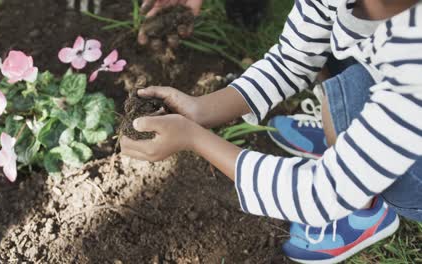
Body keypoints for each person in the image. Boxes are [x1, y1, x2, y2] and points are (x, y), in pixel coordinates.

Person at [124, 0, 422, 263]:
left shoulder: (414, 51)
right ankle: (357, 140)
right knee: (332, 44)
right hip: (399, 106)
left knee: (352, 87)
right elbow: (293, 58)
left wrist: (194, 138)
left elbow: (322, 192)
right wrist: (200, 109)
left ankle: (361, 208)